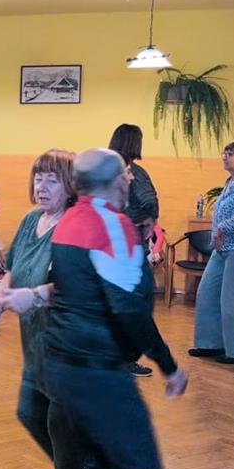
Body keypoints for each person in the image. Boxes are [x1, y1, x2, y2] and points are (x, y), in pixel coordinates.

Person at [0, 148, 188, 469]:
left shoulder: (73, 222)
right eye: (126, 174)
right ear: (115, 181)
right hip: (95, 370)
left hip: (62, 364)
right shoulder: (112, 226)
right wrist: (168, 365)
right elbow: (130, 311)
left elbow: (69, 288)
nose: (130, 179)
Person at [0, 149, 84, 469]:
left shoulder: (76, 225)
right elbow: (11, 271)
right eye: (39, 178)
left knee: (61, 425)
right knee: (30, 412)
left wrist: (36, 297)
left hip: (68, 344)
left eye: (52, 179)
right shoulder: (29, 221)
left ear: (70, 185)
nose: (42, 186)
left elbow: (79, 285)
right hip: (35, 343)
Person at [190, 140, 234, 365]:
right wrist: (217, 234)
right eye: (224, 153)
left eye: (230, 154)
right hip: (221, 249)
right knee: (207, 293)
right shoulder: (230, 182)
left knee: (233, 300)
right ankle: (211, 344)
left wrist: (222, 227)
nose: (224, 157)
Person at [108, 124, 161, 378]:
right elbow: (150, 201)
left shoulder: (103, 170)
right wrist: (148, 220)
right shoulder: (134, 172)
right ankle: (127, 358)